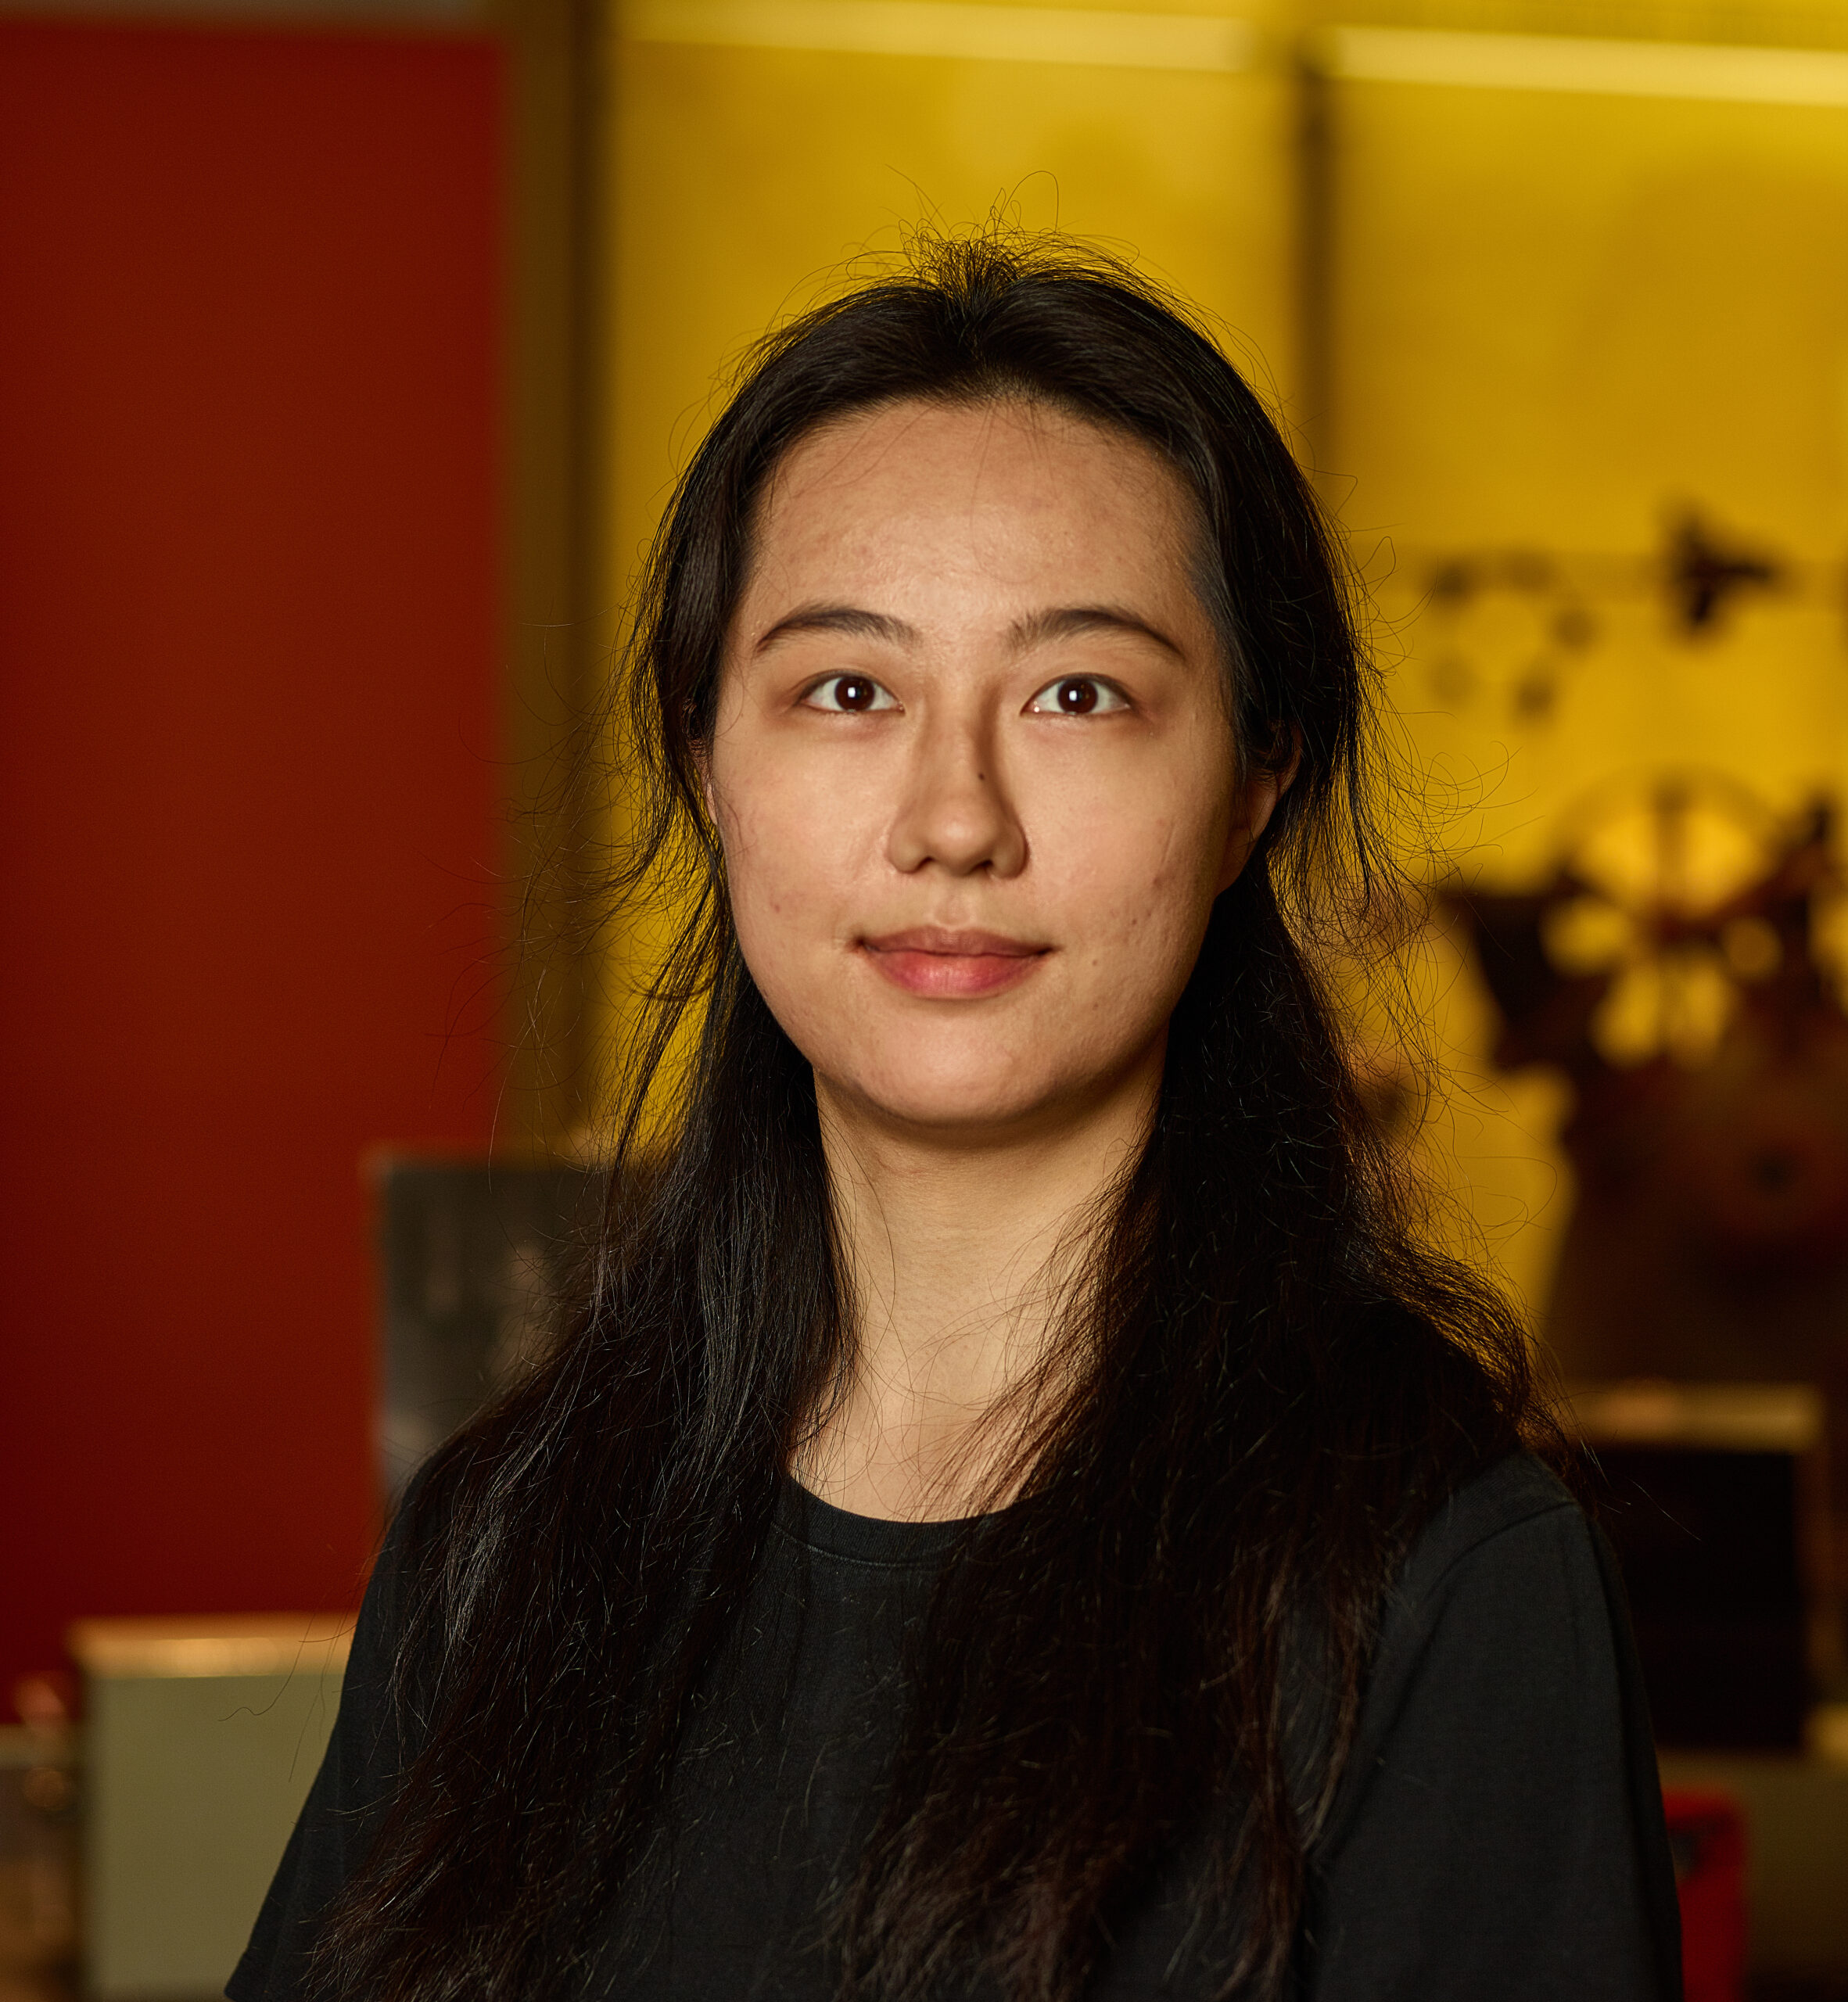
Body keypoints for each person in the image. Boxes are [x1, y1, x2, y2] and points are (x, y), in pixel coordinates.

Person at [231, 233, 1681, 2002]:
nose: (953, 818)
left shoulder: (1439, 1584)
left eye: (1077, 693)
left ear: (1247, 785)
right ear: (708, 762)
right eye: (848, 688)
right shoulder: (507, 1544)